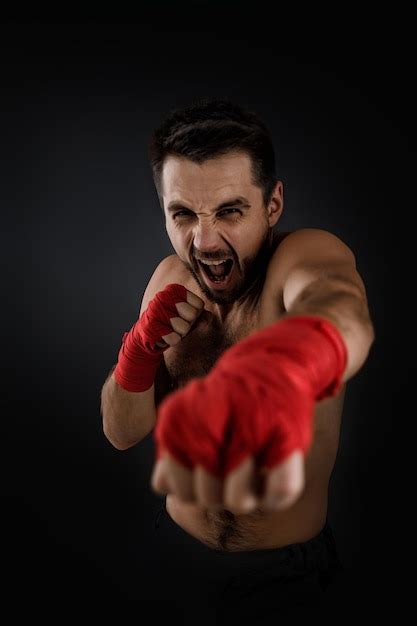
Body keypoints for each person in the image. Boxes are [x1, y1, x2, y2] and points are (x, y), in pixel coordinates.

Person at [100, 97, 375, 622]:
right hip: (175, 555)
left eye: (229, 211)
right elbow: (121, 432)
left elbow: (341, 307)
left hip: (287, 576)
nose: (204, 242)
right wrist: (138, 352)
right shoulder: (169, 282)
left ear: (272, 205)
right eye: (183, 215)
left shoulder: (301, 258)